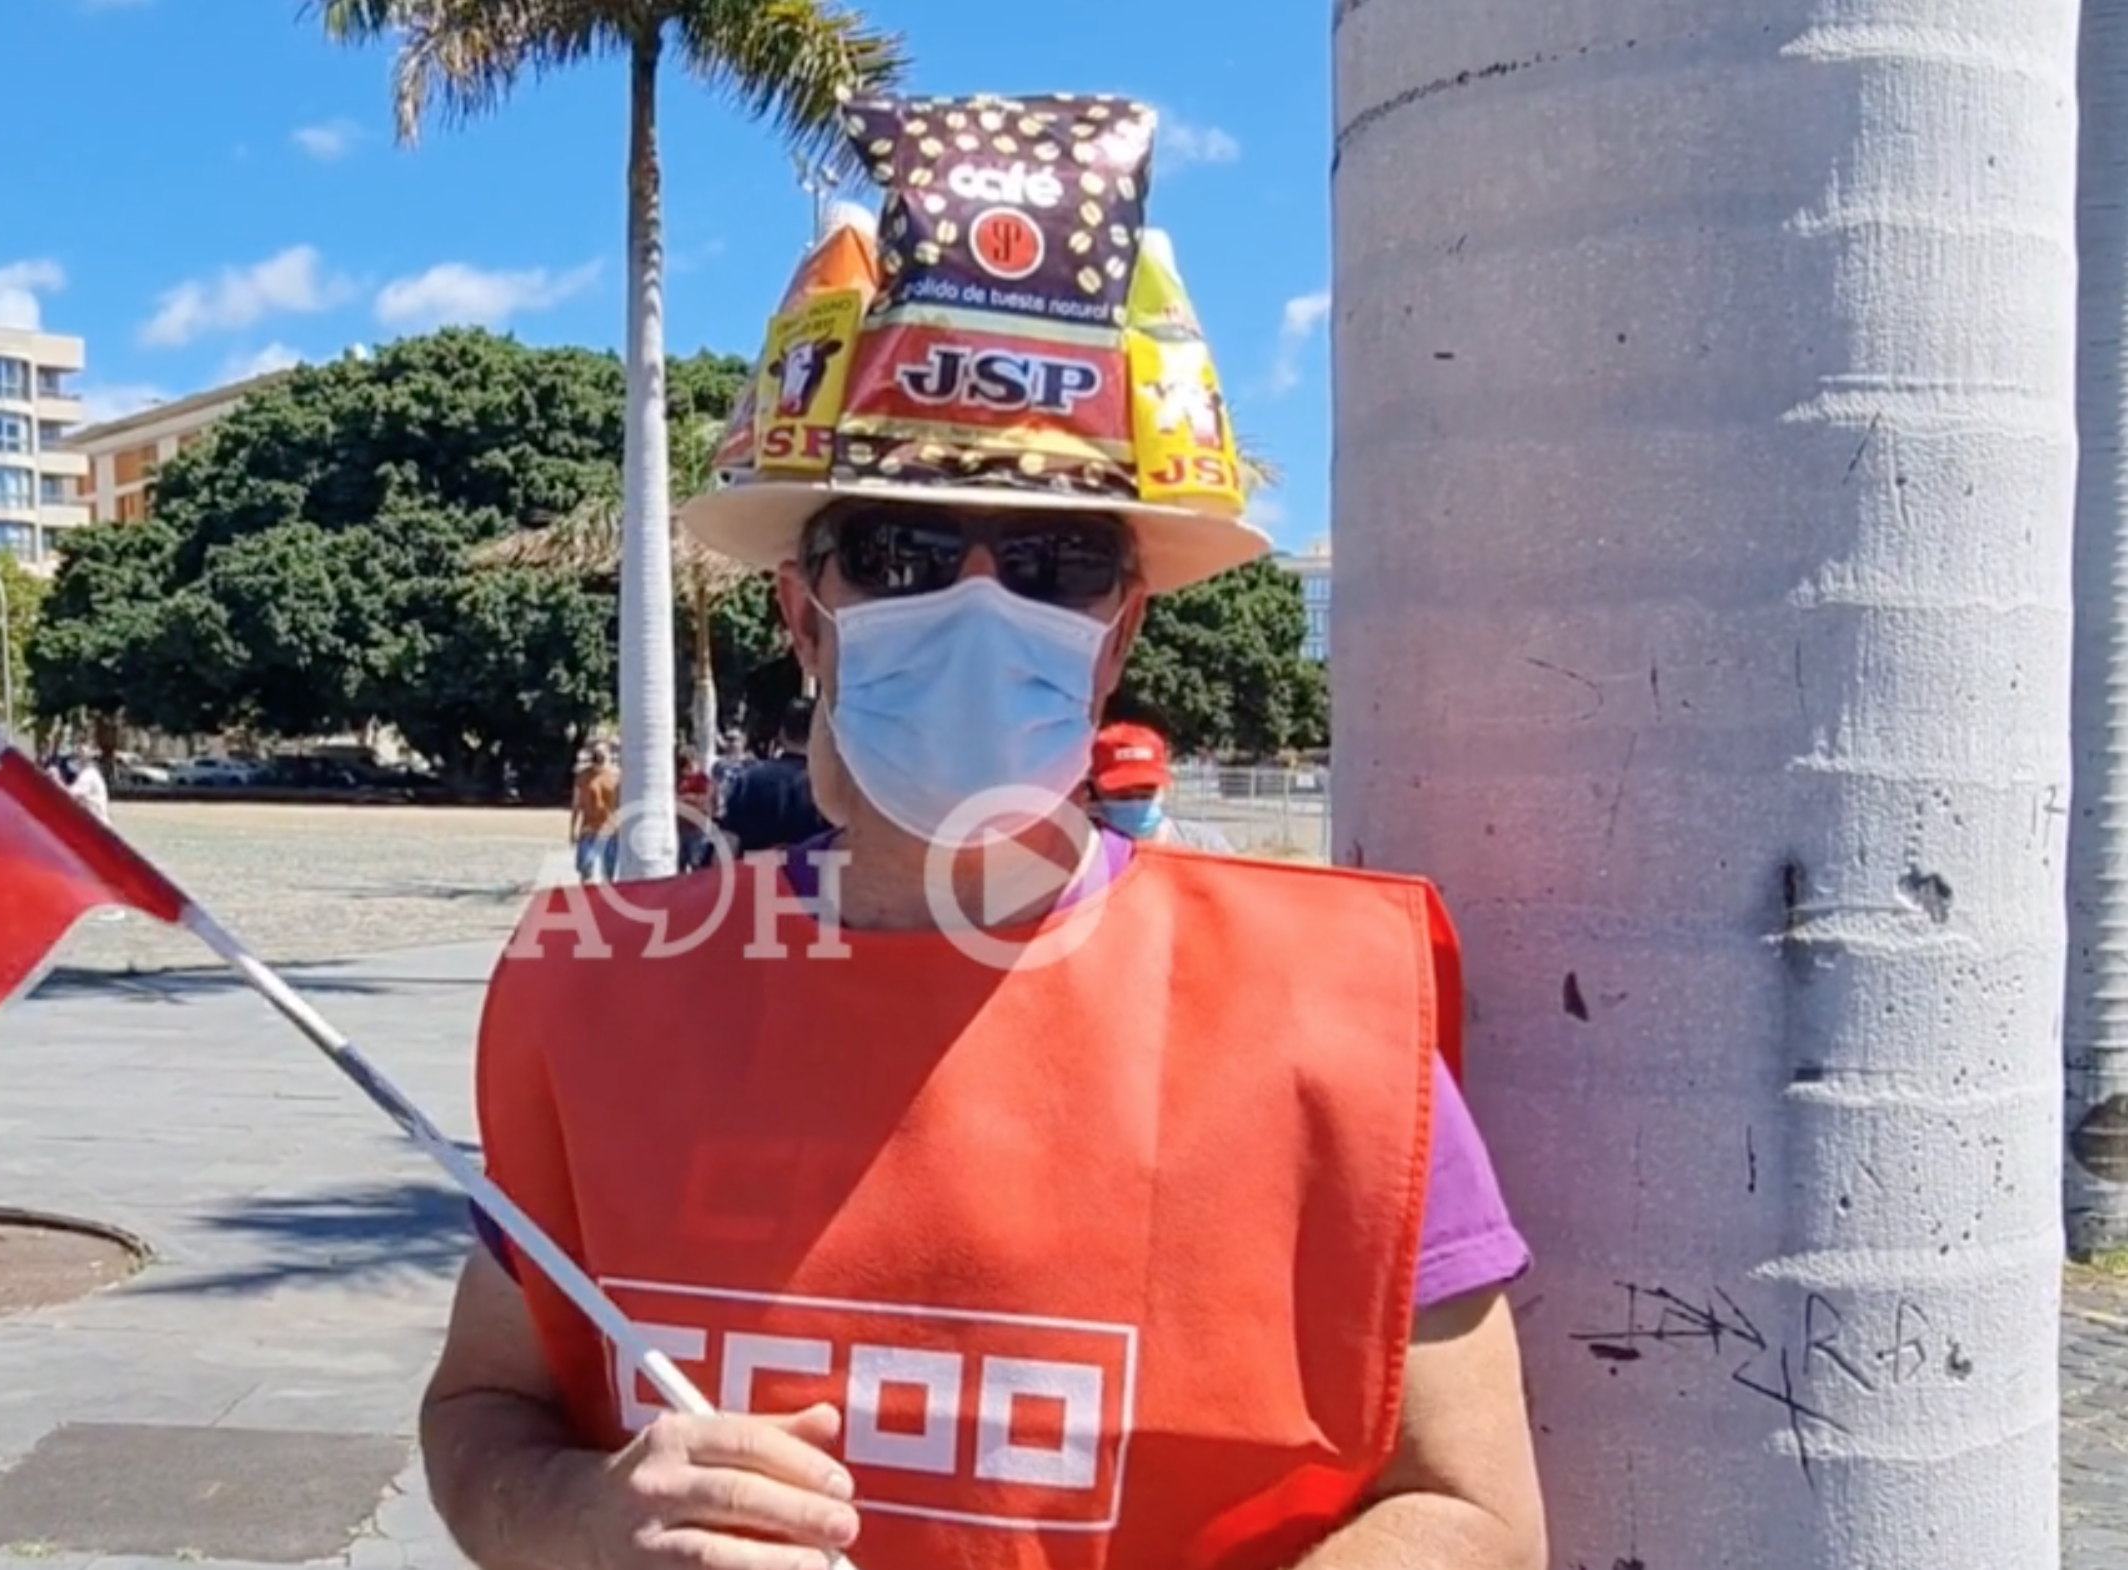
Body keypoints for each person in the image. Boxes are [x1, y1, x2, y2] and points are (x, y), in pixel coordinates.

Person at [421, 90, 1544, 1570]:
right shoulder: (601, 1004)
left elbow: (1473, 1510)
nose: (976, 604)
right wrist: (577, 1515)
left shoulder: (1327, 1022)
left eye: (1056, 559)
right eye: (896, 547)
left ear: (1120, 623)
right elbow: (481, 1405)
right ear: (802, 614)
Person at [1085, 720, 1232, 851]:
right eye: (1122, 794)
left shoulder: (1204, 846)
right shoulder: (1082, 855)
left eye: (1147, 790)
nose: (1135, 803)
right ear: (1095, 788)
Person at [710, 697, 829, 857]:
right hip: (816, 879)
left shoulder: (748, 779)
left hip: (757, 878)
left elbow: (728, 844)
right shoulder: (831, 787)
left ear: (782, 733)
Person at [568, 743, 620, 883]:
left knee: (608, 874)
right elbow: (576, 804)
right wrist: (572, 829)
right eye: (596, 752)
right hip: (588, 829)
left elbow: (622, 804)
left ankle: (603, 903)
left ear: (608, 755)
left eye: (602, 753)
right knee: (585, 869)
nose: (599, 756)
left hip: (610, 830)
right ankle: (588, 898)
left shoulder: (616, 776)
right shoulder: (583, 777)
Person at [675, 746, 714, 870]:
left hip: (697, 827)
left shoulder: (703, 780)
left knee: (696, 861)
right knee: (681, 862)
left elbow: (705, 800)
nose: (685, 770)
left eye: (688, 765)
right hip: (681, 827)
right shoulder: (680, 780)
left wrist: (684, 798)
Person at [63, 749, 110, 825]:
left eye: (78, 758)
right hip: (96, 821)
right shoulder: (92, 773)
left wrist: (56, 780)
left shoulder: (88, 775)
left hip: (96, 824)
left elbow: (69, 794)